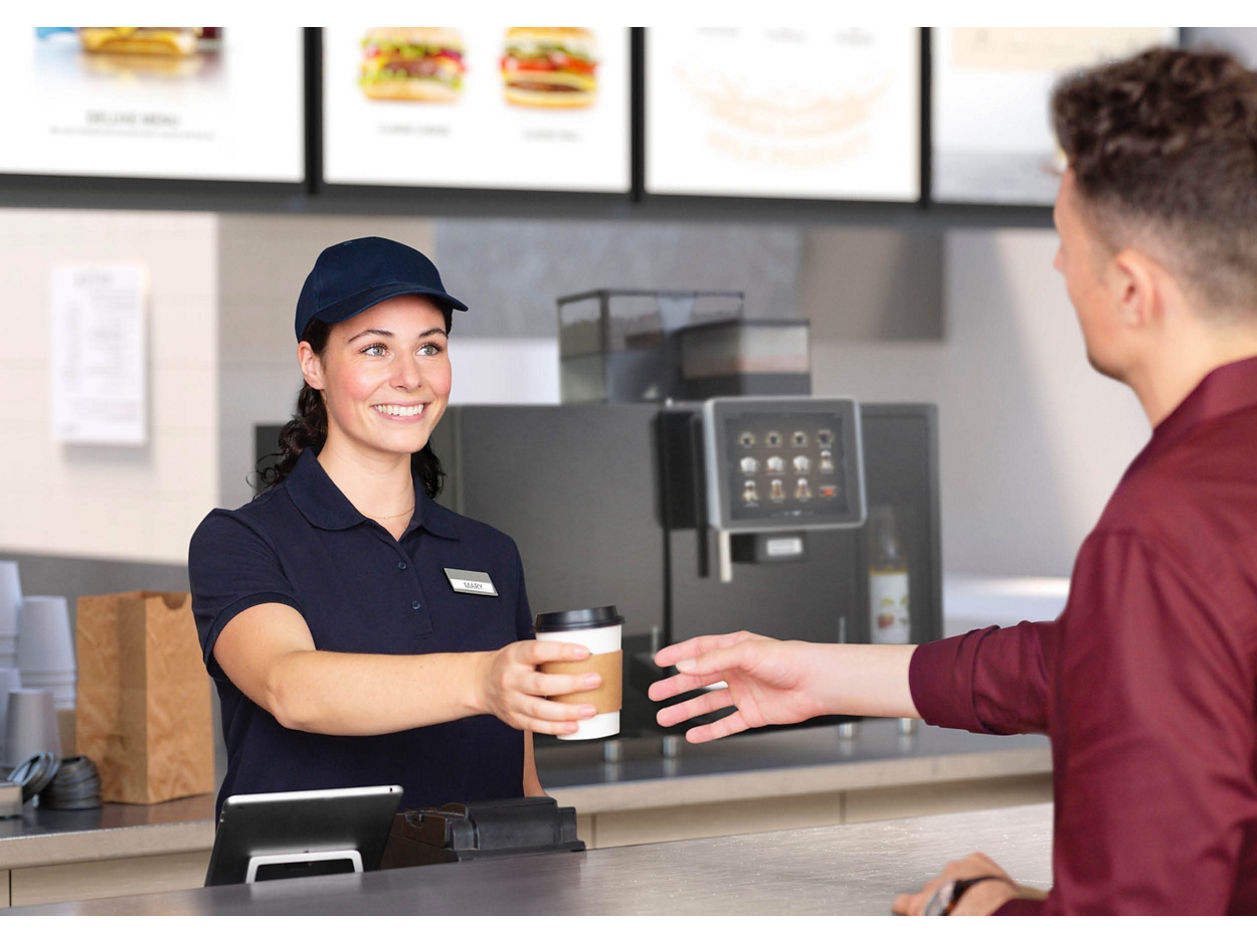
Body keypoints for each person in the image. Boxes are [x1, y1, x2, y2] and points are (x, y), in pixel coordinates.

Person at [650, 46, 1257, 916]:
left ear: (1131, 290)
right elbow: (1085, 664)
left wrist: (980, 911)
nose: (1056, 269)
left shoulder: (1159, 533)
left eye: (1066, 242)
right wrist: (817, 676)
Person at [189, 236, 601, 817]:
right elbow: (291, 689)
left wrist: (552, 871)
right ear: (313, 364)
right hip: (310, 899)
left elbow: (521, 775)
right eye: (375, 349)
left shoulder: (491, 554)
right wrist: (483, 678)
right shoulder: (242, 541)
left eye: (430, 348)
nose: (410, 377)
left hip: (481, 896)